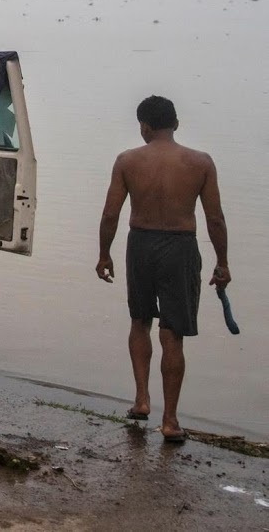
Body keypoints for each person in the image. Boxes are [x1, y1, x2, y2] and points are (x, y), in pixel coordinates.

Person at [96, 95, 230, 443]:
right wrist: (222, 262)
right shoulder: (200, 162)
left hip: (140, 244)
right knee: (173, 333)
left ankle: (142, 400)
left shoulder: (127, 160)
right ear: (176, 124)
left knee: (140, 321)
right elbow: (214, 219)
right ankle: (170, 421)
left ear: (144, 126)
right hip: (180, 247)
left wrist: (104, 254)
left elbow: (110, 214)